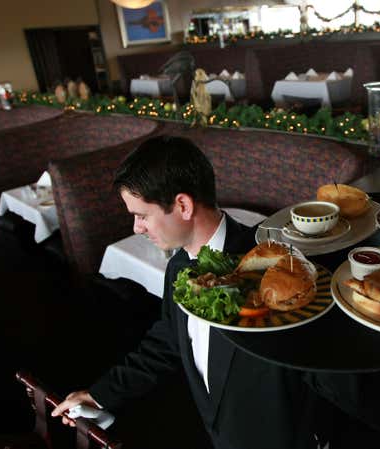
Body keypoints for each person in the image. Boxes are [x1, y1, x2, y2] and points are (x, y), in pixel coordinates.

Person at [51, 135, 360, 449]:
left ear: (183, 205)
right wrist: (102, 395)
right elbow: (169, 338)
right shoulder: (178, 267)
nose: (136, 228)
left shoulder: (274, 276)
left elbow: (322, 377)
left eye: (142, 215)